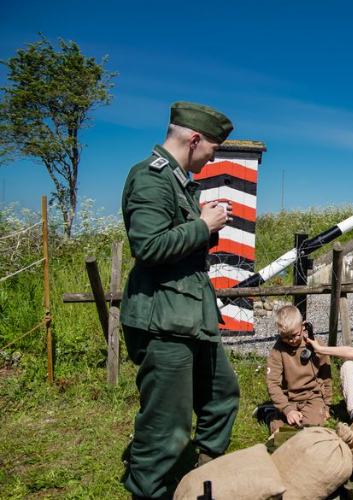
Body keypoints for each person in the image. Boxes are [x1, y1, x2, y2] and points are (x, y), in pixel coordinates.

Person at [120, 102, 239, 500]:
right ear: (194, 139)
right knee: (165, 424)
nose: (213, 158)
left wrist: (205, 224)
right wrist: (202, 225)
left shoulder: (178, 181)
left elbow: (179, 244)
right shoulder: (151, 178)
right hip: (164, 319)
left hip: (191, 313)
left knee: (221, 395)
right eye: (213, 149)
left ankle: (206, 471)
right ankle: (148, 490)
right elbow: (148, 246)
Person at [261, 305, 332, 435]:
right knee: (281, 433)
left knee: (311, 430)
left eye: (295, 335)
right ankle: (269, 414)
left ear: (303, 326)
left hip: (312, 397)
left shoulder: (316, 345)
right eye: (286, 337)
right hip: (289, 399)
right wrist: (287, 410)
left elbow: (326, 375)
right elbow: (273, 384)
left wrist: (326, 406)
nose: (292, 340)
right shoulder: (277, 352)